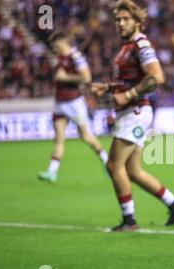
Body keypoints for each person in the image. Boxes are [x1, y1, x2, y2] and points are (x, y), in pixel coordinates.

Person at [91, 0, 174, 231]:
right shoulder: (127, 47)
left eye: (125, 19)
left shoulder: (140, 44)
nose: (120, 23)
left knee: (114, 166)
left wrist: (128, 94)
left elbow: (156, 76)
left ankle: (129, 220)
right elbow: (129, 80)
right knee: (132, 170)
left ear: (138, 21)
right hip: (131, 112)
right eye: (117, 19)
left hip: (134, 112)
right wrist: (108, 88)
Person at [38, 31, 108, 183]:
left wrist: (65, 77)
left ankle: (107, 162)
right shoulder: (60, 58)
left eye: (56, 45)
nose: (54, 49)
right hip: (59, 103)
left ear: (63, 42)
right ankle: (52, 172)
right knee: (58, 138)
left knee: (86, 136)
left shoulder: (76, 56)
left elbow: (86, 77)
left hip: (73, 103)